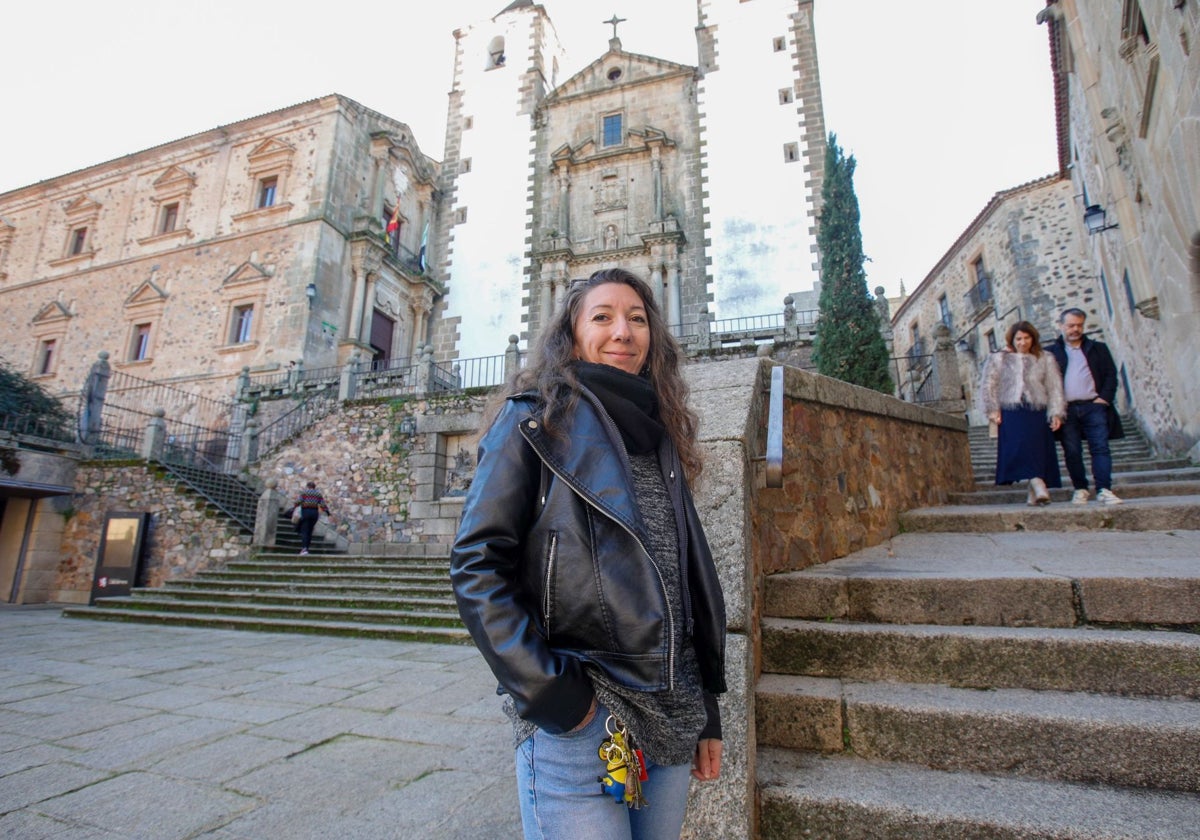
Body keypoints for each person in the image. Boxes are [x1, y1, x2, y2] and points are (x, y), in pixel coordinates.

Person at [450, 268, 727, 840]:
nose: (622, 331)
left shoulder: (662, 435)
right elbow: (478, 563)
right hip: (583, 721)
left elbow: (682, 581)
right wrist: (558, 697)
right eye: (601, 317)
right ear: (572, 335)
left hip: (672, 720)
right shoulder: (531, 420)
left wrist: (707, 709)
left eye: (637, 318)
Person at [979, 322, 1066, 505]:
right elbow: (989, 384)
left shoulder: (1045, 358)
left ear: (1033, 338)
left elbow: (1054, 386)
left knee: (1037, 449)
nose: (1022, 342)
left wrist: (1056, 412)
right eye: (1018, 338)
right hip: (1011, 409)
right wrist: (992, 409)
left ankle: (1033, 493)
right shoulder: (999, 358)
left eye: (1026, 338)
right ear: (1012, 339)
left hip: (1037, 409)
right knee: (1019, 447)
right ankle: (1038, 482)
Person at [1046, 308, 1125, 505]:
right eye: (1071, 325)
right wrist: (1054, 409)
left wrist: (1104, 399)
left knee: (1100, 448)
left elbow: (1110, 375)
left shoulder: (1098, 349)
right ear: (1061, 326)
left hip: (1094, 406)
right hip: (1066, 410)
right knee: (1072, 451)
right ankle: (1080, 488)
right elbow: (1046, 382)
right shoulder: (1050, 353)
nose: (1075, 329)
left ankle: (1104, 489)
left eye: (1079, 325)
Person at [286, 481, 331, 555]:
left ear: (307, 486)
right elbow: (323, 505)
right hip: (314, 513)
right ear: (314, 487)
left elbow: (298, 502)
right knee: (310, 531)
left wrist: (294, 508)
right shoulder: (318, 494)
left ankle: (304, 548)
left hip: (306, 512)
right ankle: (307, 548)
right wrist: (328, 513)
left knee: (305, 530)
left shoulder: (304, 493)